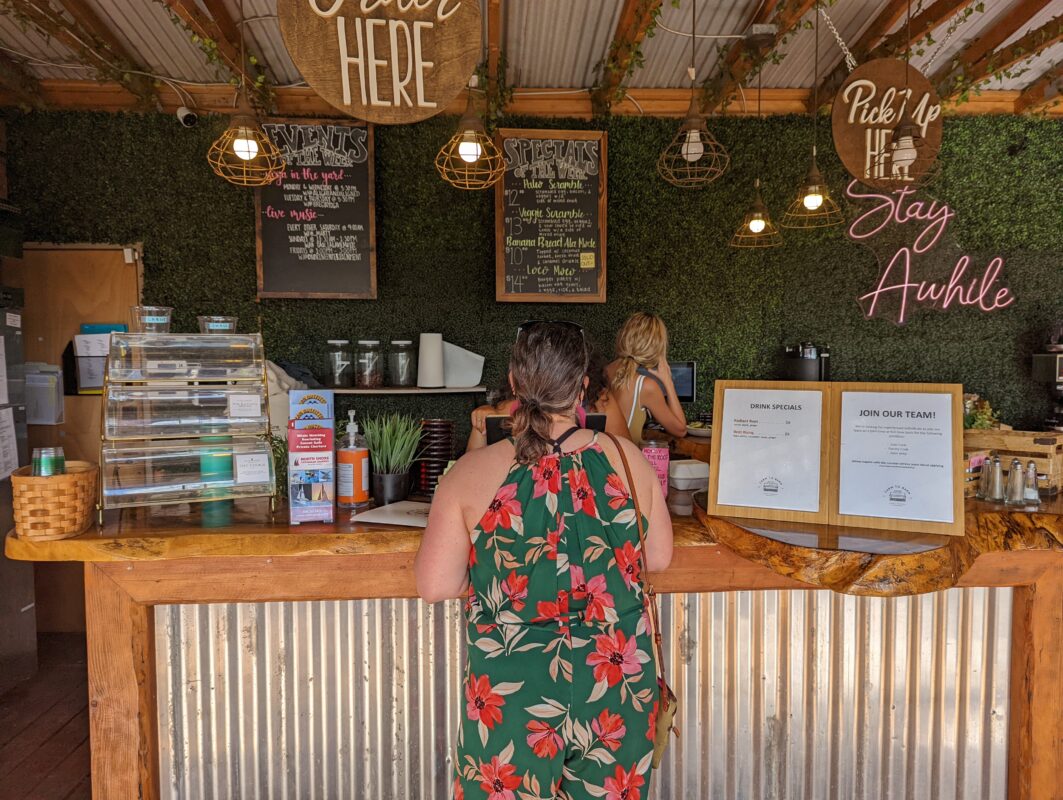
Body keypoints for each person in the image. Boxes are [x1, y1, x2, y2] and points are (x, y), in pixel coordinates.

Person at [416, 321, 673, 800]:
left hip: (515, 692)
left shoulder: (471, 474)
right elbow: (657, 557)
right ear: (582, 387)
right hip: (616, 687)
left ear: (514, 384)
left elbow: (434, 584)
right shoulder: (630, 460)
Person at [466, 338, 627, 450]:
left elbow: (623, 450)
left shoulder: (602, 401)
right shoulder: (508, 409)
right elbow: (473, 466)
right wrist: (482, 422)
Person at [606, 312, 688, 443]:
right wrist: (668, 381)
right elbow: (680, 430)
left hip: (599, 460)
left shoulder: (602, 372)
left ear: (624, 336)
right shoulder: (645, 386)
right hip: (626, 462)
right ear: (655, 346)